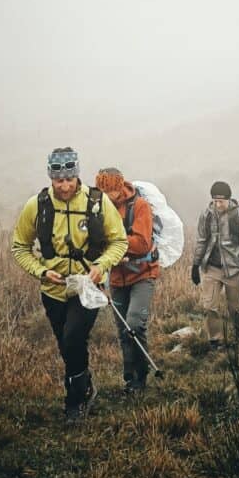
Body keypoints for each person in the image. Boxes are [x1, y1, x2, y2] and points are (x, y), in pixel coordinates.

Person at [12, 147, 128, 422]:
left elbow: (119, 241)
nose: (64, 185)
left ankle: (74, 401)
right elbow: (20, 247)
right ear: (51, 178)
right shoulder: (36, 205)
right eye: (58, 180)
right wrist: (41, 271)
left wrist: (101, 267)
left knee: (73, 336)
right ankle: (84, 383)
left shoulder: (97, 202)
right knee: (66, 345)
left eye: (69, 179)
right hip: (52, 288)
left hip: (86, 286)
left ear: (77, 175)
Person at [95, 167, 159, 393]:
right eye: (103, 191)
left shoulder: (139, 206)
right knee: (123, 329)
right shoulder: (99, 207)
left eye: (111, 191)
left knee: (134, 323)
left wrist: (115, 244)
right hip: (116, 278)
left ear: (120, 186)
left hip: (142, 273)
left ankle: (141, 375)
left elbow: (142, 243)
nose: (108, 196)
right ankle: (130, 377)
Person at [191, 181, 239, 348]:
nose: (217, 204)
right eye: (215, 200)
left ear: (228, 199)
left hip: (233, 268)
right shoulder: (207, 214)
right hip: (211, 267)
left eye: (221, 201)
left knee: (236, 308)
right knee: (209, 305)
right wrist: (195, 265)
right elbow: (202, 240)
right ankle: (215, 340)